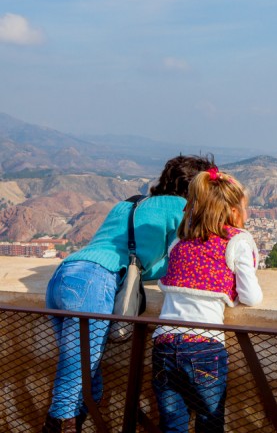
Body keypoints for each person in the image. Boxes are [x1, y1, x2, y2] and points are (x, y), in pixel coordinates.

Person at [43, 154, 214, 433]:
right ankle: (58, 426)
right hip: (95, 281)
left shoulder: (128, 203)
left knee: (89, 379)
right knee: (77, 374)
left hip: (65, 275)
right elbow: (181, 261)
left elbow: (120, 248)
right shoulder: (181, 207)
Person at [152, 167, 263, 433]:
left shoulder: (180, 241)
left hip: (164, 345)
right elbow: (252, 297)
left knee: (172, 425)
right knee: (210, 422)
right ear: (234, 211)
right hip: (204, 347)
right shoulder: (237, 241)